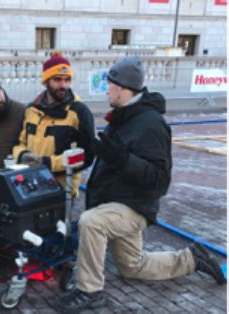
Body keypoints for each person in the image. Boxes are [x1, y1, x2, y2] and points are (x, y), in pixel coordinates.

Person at [56, 56, 225, 313]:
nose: (106, 90)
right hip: (117, 202)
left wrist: (121, 159)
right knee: (133, 267)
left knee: (92, 221)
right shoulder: (124, 117)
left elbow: (159, 179)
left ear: (122, 88)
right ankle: (193, 259)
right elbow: (112, 157)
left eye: (109, 85)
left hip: (134, 206)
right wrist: (87, 142)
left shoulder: (151, 124)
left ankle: (89, 291)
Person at [12, 52, 94, 196]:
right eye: (57, 79)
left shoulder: (79, 112)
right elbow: (19, 142)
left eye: (67, 80)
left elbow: (85, 157)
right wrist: (22, 155)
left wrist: (47, 163)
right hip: (31, 186)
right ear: (46, 81)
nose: (63, 85)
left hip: (61, 192)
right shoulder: (31, 110)